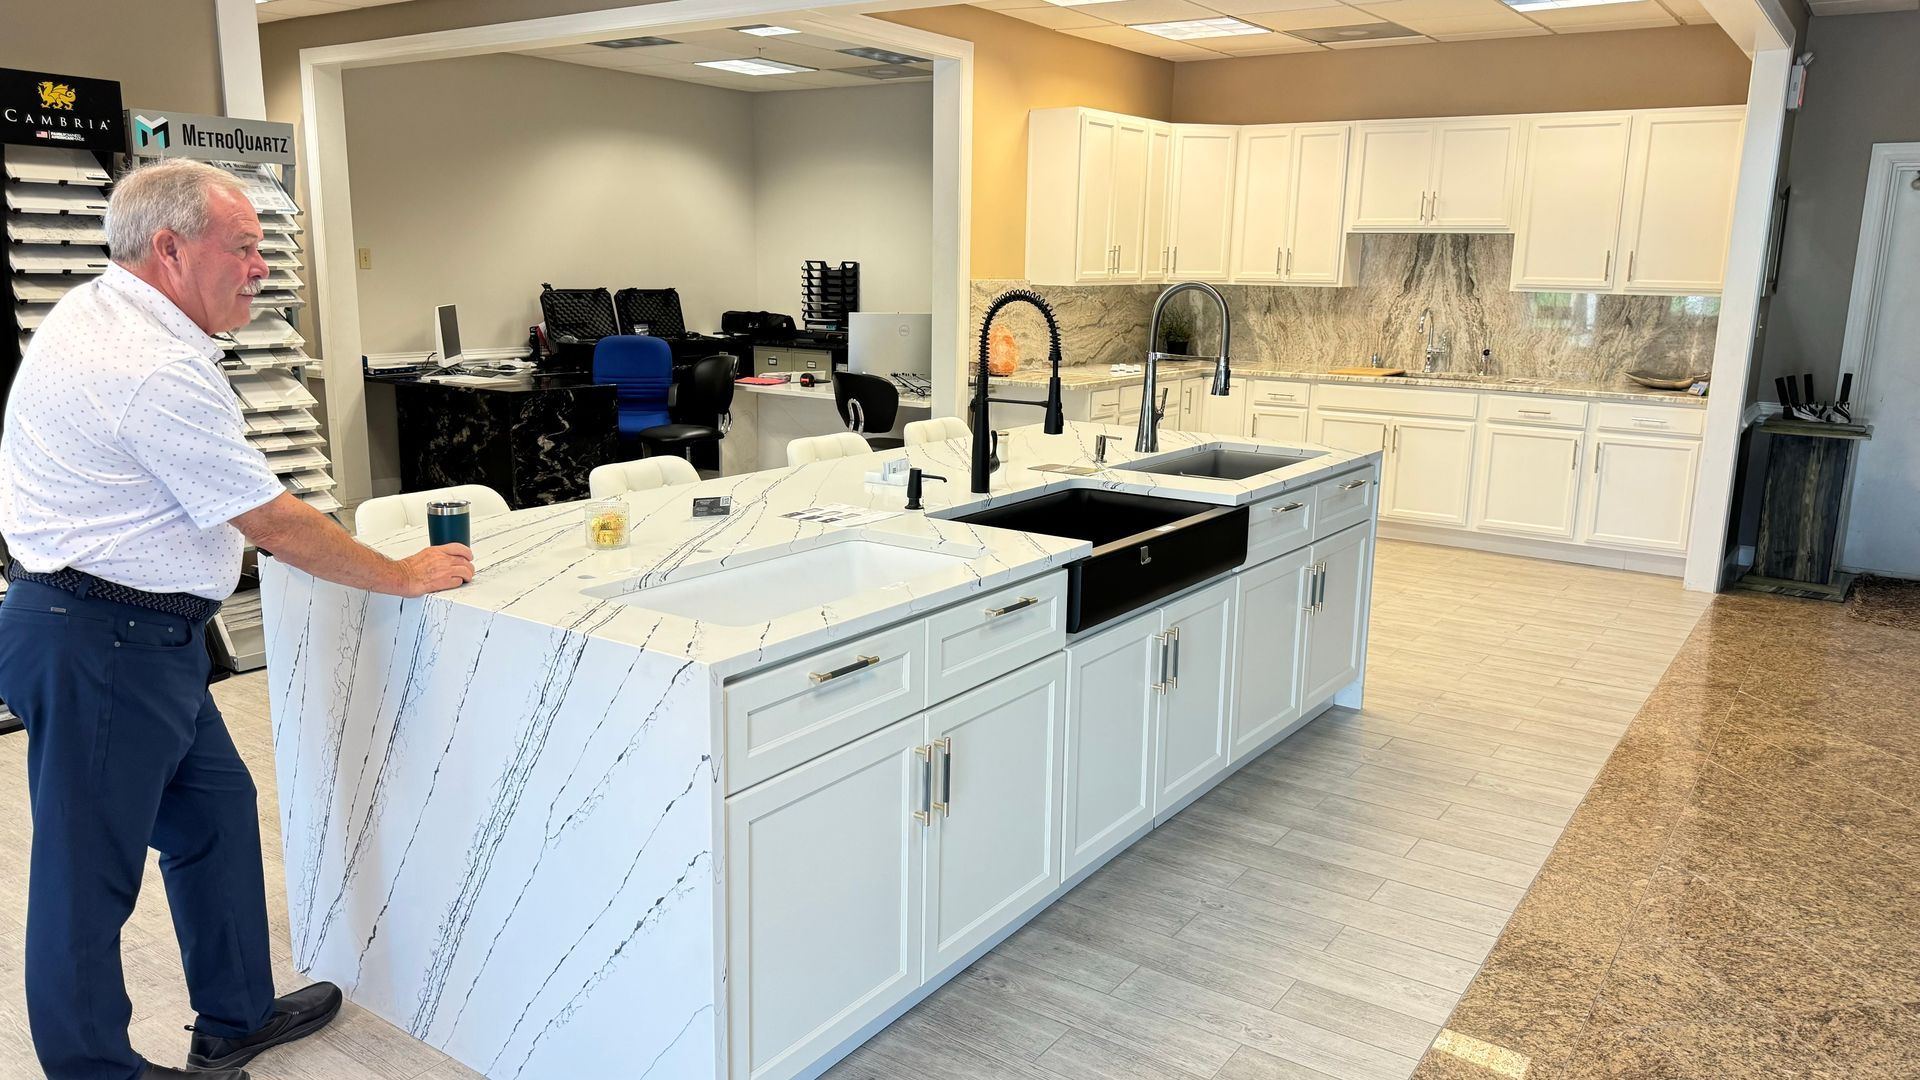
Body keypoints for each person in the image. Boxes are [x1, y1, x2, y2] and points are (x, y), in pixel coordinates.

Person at [0, 159, 474, 1080]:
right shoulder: (145, 366)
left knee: (215, 814)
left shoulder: (111, 313)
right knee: (84, 881)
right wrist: (401, 574)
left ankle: (235, 1017)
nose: (262, 268)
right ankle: (93, 1070)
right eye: (245, 247)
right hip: (101, 641)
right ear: (170, 249)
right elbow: (272, 521)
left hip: (144, 634)